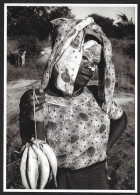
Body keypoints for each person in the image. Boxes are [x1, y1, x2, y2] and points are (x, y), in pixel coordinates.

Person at [19, 17, 127, 189]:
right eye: (84, 57)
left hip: (98, 180)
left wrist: (103, 151)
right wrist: (36, 118)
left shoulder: (95, 95)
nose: (91, 68)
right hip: (60, 183)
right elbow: (36, 153)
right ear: (64, 53)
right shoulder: (37, 99)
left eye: (95, 62)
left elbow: (121, 119)